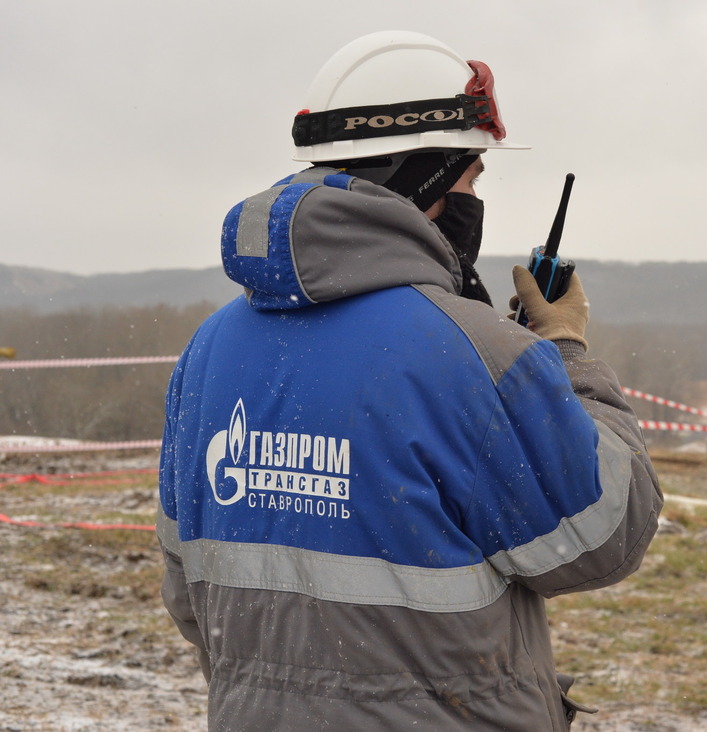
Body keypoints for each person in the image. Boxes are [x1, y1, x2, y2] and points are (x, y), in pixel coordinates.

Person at [157, 30, 663, 731]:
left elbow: (190, 594)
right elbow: (607, 532)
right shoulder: (475, 353)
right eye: (471, 175)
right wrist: (566, 354)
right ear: (426, 178)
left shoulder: (208, 350)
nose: (473, 195)